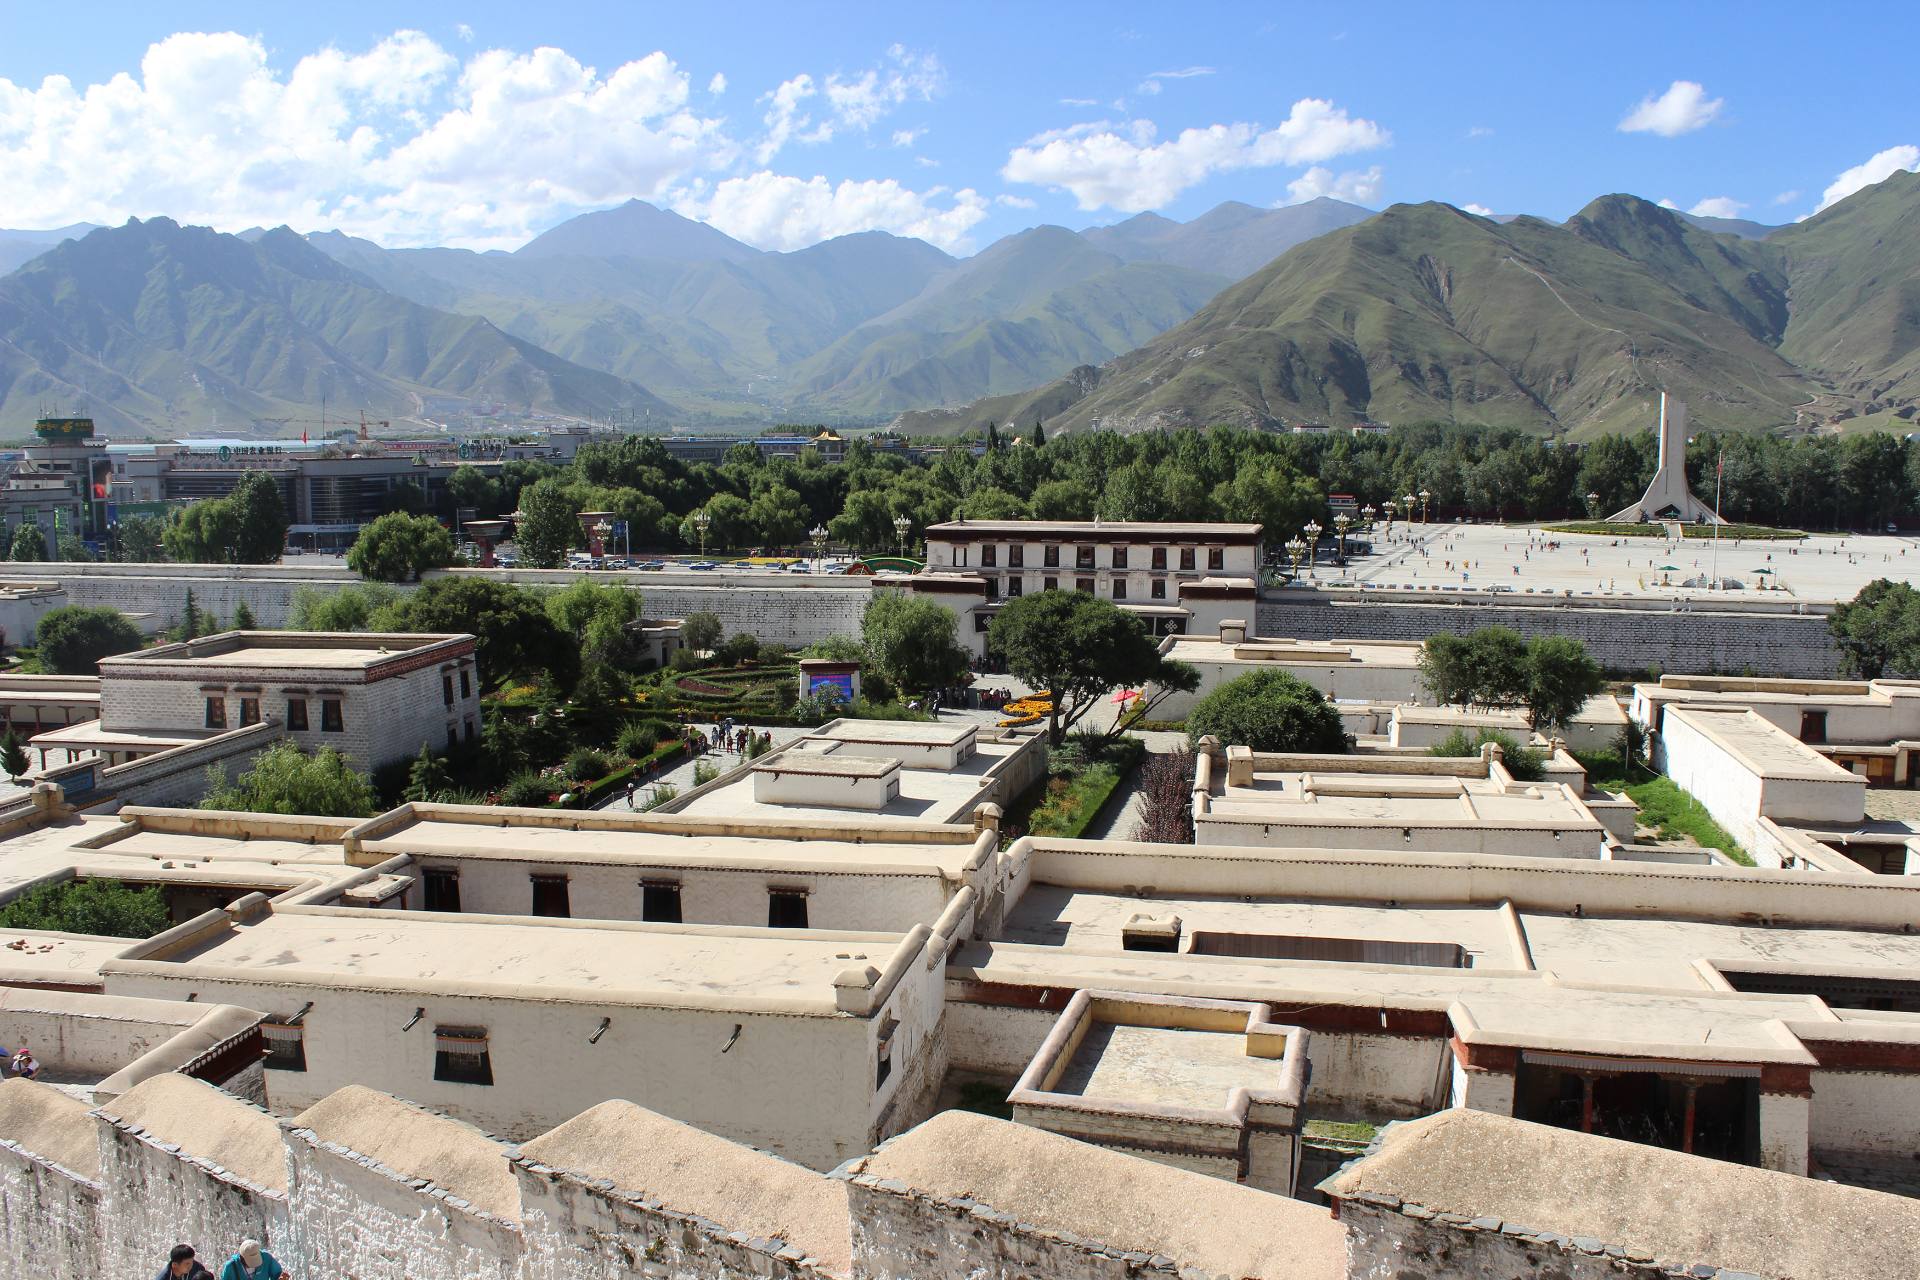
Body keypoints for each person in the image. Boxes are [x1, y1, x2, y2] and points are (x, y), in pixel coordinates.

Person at [219, 1240, 284, 1280]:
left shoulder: (266, 1258)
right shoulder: (231, 1267)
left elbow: (277, 1274)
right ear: (242, 1257)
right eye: (251, 1263)